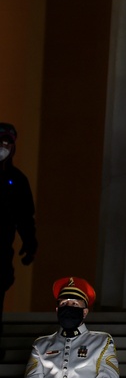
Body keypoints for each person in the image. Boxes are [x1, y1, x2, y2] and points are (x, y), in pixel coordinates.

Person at [0, 123, 38, 358]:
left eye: (7, 143)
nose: (3, 147)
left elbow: (25, 216)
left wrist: (30, 243)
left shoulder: (17, 179)